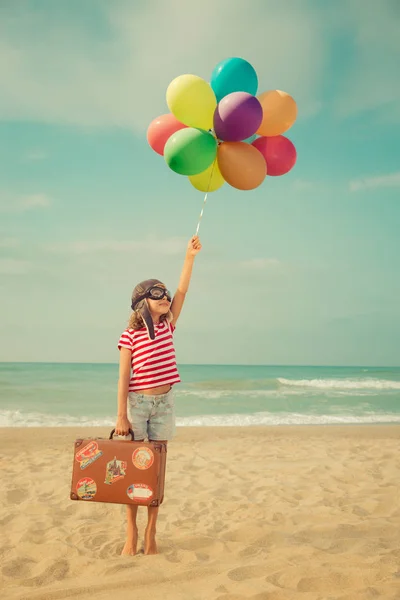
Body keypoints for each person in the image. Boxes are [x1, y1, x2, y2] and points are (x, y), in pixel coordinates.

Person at [115, 235, 202, 555]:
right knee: (134, 470)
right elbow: (123, 378)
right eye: (157, 294)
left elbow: (182, 291)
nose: (165, 297)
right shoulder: (130, 335)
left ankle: (151, 533)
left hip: (164, 405)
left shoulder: (168, 325)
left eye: (164, 293)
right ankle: (131, 533)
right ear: (142, 303)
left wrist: (189, 258)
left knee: (155, 471)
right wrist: (122, 415)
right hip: (137, 406)